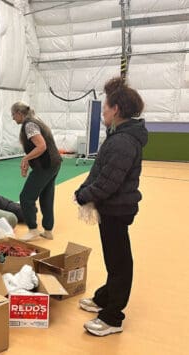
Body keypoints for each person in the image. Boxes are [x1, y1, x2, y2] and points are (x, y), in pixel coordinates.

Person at [74, 77, 147, 336]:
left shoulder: (123, 142)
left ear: (116, 109)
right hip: (112, 208)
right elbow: (98, 171)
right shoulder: (117, 137)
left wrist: (84, 196)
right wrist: (83, 189)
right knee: (114, 259)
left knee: (119, 262)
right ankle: (105, 297)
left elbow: (108, 182)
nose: (102, 110)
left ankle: (113, 317)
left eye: (106, 106)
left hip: (117, 208)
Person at [11, 101, 62, 241]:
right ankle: (48, 230)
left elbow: (41, 146)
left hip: (45, 166)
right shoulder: (36, 119)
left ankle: (32, 229)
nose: (13, 118)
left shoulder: (29, 125)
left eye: (13, 115)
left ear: (19, 113)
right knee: (47, 196)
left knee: (26, 197)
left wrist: (25, 159)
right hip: (55, 163)